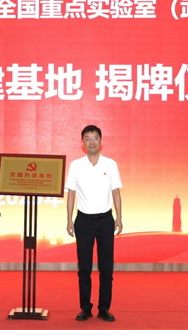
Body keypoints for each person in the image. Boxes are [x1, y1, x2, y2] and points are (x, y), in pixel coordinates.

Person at [66, 124, 123, 322]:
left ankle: (104, 308)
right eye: (88, 139)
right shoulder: (76, 165)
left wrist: (119, 217)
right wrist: (69, 219)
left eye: (95, 138)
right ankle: (85, 308)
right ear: (82, 143)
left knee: (106, 268)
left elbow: (116, 192)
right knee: (84, 269)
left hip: (106, 220)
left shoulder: (110, 164)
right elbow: (71, 194)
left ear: (101, 141)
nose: (92, 142)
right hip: (83, 221)